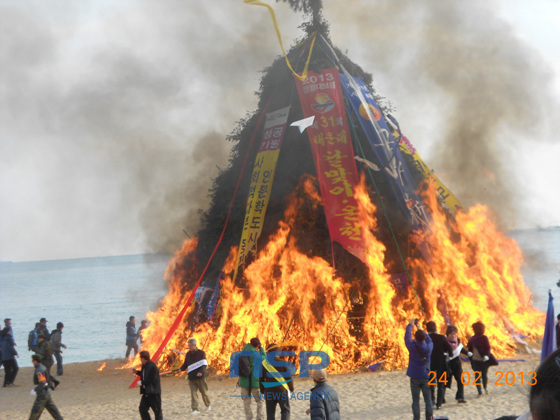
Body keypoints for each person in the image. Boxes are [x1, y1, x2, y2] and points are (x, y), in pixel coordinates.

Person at [405, 318, 433, 420]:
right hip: (425, 375)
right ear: (424, 337)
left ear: (415, 338)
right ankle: (429, 418)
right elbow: (429, 339)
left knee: (416, 401)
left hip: (415, 376)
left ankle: (416, 418)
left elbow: (407, 337)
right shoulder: (429, 347)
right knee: (428, 400)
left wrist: (410, 325)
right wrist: (420, 328)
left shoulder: (412, 346)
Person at [175, 338, 211, 415]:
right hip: (191, 377)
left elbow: (204, 364)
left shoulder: (201, 353)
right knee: (193, 393)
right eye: (188, 345)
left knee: (204, 392)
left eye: (190, 345)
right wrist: (181, 369)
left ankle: (208, 405)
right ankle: (195, 409)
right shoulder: (188, 354)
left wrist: (201, 372)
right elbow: (185, 364)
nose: (189, 347)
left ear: (195, 345)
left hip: (200, 377)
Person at [260, 343, 294, 420]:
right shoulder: (283, 362)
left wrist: (262, 390)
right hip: (281, 390)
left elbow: (261, 379)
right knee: (285, 410)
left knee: (270, 412)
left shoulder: (264, 364)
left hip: (268, 391)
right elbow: (288, 377)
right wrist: (291, 388)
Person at [426, 321, 452, 409]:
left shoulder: (426, 338)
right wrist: (447, 355)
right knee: (441, 385)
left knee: (431, 384)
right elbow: (449, 350)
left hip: (430, 365)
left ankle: (432, 400)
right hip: (441, 364)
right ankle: (439, 404)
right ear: (436, 328)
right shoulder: (442, 337)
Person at [467, 321, 497, 397]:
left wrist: (486, 355)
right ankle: (482, 389)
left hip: (478, 360)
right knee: (482, 375)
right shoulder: (480, 338)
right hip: (480, 360)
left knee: (479, 376)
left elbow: (487, 348)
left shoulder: (474, 339)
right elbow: (487, 348)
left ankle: (481, 390)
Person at [29, 354, 63, 420]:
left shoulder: (39, 370)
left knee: (35, 412)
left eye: (33, 360)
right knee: (55, 412)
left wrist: (35, 390)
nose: (32, 362)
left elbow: (42, 383)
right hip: (47, 393)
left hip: (42, 394)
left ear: (36, 361)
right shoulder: (43, 367)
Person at [240, 337, 265, 420]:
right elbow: (265, 358)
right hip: (254, 382)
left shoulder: (243, 351)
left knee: (246, 403)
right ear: (257, 345)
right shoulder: (256, 354)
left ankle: (249, 418)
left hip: (243, 382)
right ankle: (259, 417)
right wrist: (261, 349)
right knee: (260, 401)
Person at [133, 350, 162, 420]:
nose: (140, 359)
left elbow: (152, 379)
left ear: (144, 358)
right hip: (146, 392)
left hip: (154, 392)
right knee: (142, 409)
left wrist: (142, 382)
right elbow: (144, 374)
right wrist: (137, 372)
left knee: (157, 412)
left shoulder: (153, 367)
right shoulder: (144, 366)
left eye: (141, 358)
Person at [445, 325, 468, 404]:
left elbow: (461, 349)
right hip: (447, 364)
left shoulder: (457, 341)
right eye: (451, 334)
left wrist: (468, 353)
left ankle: (460, 397)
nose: (453, 336)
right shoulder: (444, 341)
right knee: (444, 382)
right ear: (448, 334)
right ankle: (441, 398)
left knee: (461, 380)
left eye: (455, 334)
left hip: (456, 364)